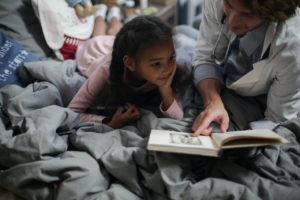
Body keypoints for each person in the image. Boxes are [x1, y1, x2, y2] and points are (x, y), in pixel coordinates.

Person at [192, 0, 300, 136]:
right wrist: (213, 103)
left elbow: (277, 120)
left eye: (247, 14)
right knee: (180, 34)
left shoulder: (291, 49)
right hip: (227, 78)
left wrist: (233, 139)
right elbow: (205, 57)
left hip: (266, 97)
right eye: (229, 6)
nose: (232, 23)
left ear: (271, 14)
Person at [68, 16, 191, 129]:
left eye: (171, 58)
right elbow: (72, 112)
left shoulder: (165, 66)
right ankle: (101, 14)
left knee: (114, 33)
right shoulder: (105, 71)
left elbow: (178, 119)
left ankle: (113, 15)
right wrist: (108, 122)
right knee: (100, 35)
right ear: (130, 64)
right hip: (97, 50)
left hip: (121, 48)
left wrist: (165, 89)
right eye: (156, 64)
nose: (167, 69)